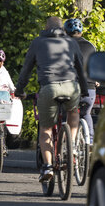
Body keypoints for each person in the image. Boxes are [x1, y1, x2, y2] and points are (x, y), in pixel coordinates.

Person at [15, 16, 89, 183]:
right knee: (73, 112)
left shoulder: (37, 43)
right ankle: (71, 145)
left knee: (46, 129)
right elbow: (80, 69)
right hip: (71, 86)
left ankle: (48, 165)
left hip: (48, 87)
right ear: (62, 28)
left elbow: (26, 69)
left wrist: (20, 89)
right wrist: (84, 90)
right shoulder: (72, 43)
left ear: (46, 27)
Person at [64, 18, 98, 145]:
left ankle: (67, 143)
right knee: (86, 113)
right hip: (90, 88)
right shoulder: (91, 46)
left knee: (66, 112)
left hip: (71, 87)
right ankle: (90, 141)